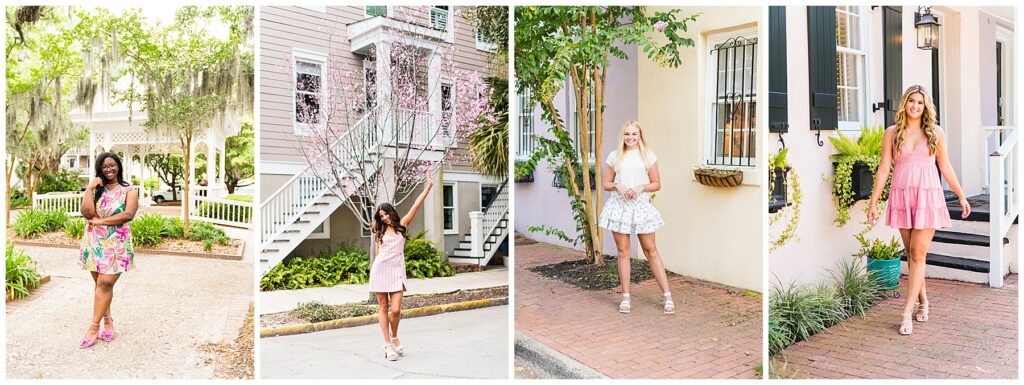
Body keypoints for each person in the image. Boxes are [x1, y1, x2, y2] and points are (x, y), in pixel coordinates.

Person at [867, 85, 970, 335]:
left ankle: (906, 313)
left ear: (926, 107)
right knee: (913, 255)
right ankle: (923, 301)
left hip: (928, 196)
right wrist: (873, 202)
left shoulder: (935, 132)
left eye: (920, 102)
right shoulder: (891, 133)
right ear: (905, 104)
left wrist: (961, 195)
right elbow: (883, 169)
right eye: (911, 101)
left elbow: (945, 167)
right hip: (902, 196)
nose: (915, 105)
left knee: (917, 253)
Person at [598, 120, 675, 315]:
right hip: (619, 207)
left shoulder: (648, 156)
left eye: (634, 134)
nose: (630, 138)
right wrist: (618, 185)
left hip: (640, 207)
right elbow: (606, 183)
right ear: (622, 136)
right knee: (623, 252)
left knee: (651, 250)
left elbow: (656, 183)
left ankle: (667, 296)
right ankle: (625, 297)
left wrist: (641, 186)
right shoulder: (614, 156)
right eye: (627, 134)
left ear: (640, 136)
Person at [368, 168, 434, 360]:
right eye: (381, 216)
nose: (384, 217)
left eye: (386, 214)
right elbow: (379, 253)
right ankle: (387, 345)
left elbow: (417, 203)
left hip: (396, 272)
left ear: (391, 212)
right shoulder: (378, 231)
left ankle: (395, 336)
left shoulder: (402, 225)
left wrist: (428, 186)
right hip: (381, 270)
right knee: (383, 307)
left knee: (395, 309)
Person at [78, 152, 139, 348]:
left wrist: (101, 221)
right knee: (100, 285)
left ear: (118, 166)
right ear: (99, 169)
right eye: (104, 167)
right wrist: (89, 188)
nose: (109, 169)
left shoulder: (129, 190)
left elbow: (128, 214)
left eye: (112, 165)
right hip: (94, 241)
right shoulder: (97, 189)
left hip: (116, 244)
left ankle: (93, 327)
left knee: (105, 283)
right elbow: (87, 213)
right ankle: (108, 320)